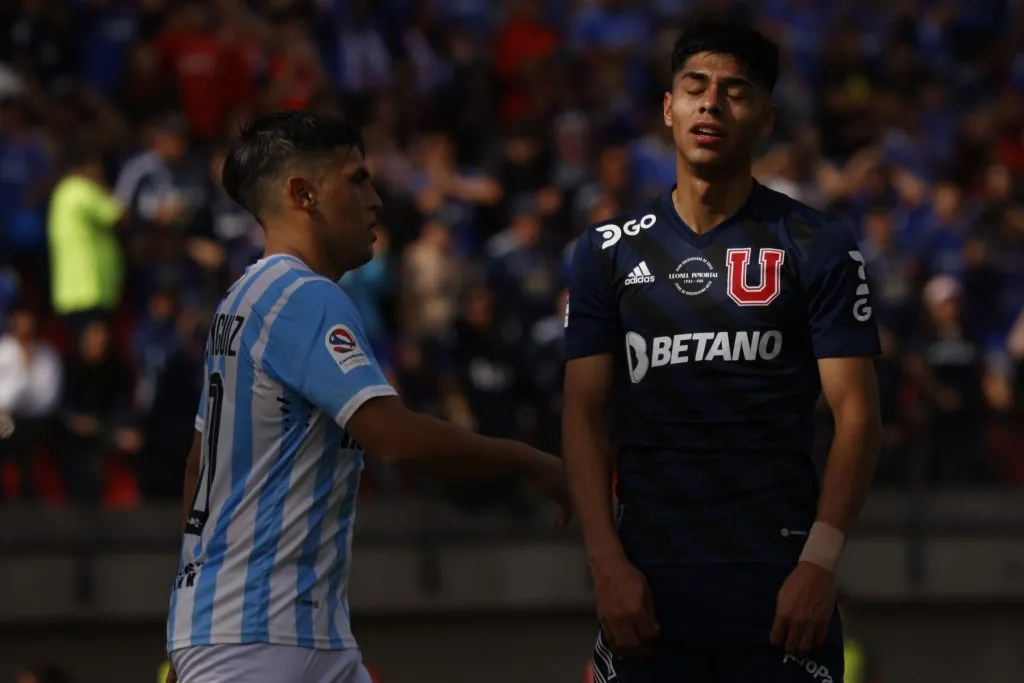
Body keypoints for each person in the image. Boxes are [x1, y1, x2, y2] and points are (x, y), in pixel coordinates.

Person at [165, 111, 571, 683]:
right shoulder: (302, 296)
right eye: (358, 180)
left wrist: (193, 615)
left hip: (284, 634)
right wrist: (530, 461)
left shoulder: (240, 298)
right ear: (302, 193)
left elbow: (196, 468)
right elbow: (398, 442)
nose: (377, 199)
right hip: (259, 642)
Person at [563, 22, 882, 683]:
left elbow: (857, 416)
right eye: (695, 87)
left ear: (765, 118)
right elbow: (583, 414)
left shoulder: (816, 243)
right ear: (668, 107)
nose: (711, 104)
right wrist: (606, 565)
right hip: (647, 588)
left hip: (777, 587)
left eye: (735, 91)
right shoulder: (606, 251)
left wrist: (820, 564)